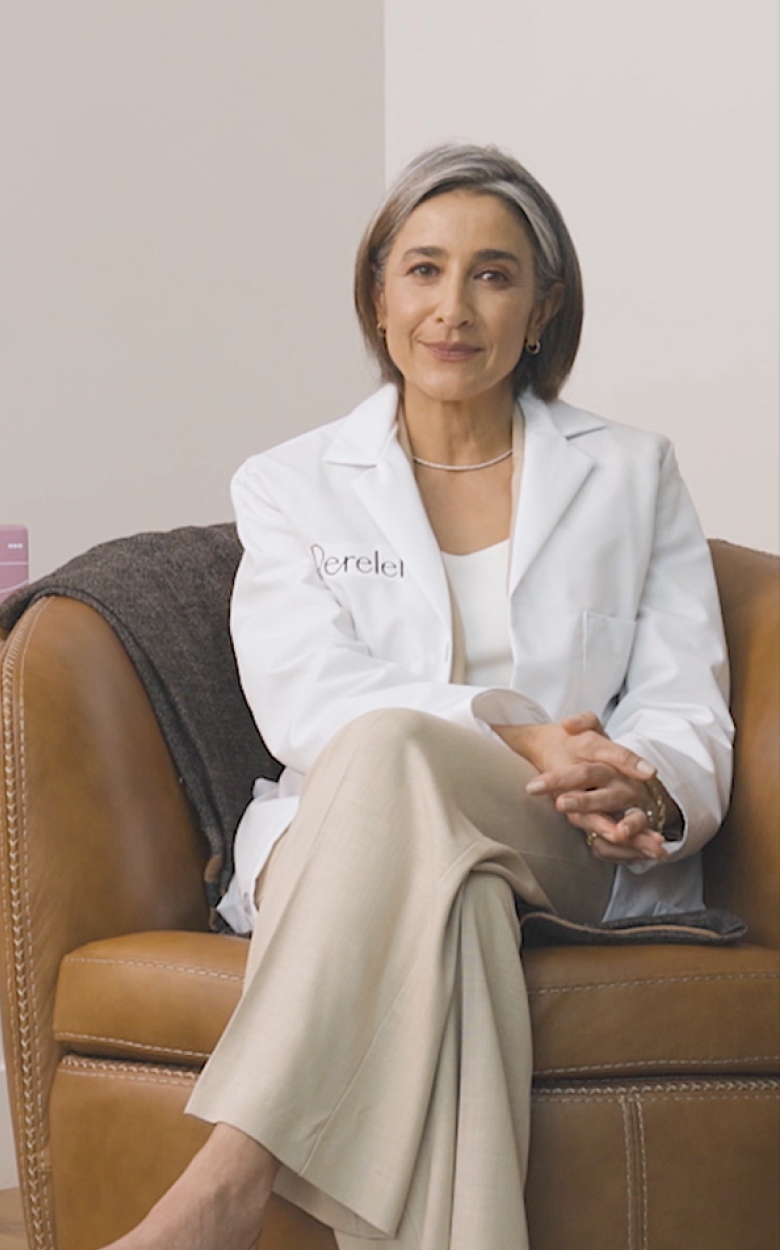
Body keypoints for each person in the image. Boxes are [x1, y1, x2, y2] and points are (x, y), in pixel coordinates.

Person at [98, 144, 733, 1250]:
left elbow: (687, 701)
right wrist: (519, 724)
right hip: (340, 829)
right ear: (379, 295)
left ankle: (225, 1181)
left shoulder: (634, 473)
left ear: (541, 309)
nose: (454, 306)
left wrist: (648, 785)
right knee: (455, 896)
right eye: (425, 270)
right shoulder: (290, 483)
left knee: (417, 771)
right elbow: (307, 699)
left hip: (561, 831)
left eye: (492, 274)